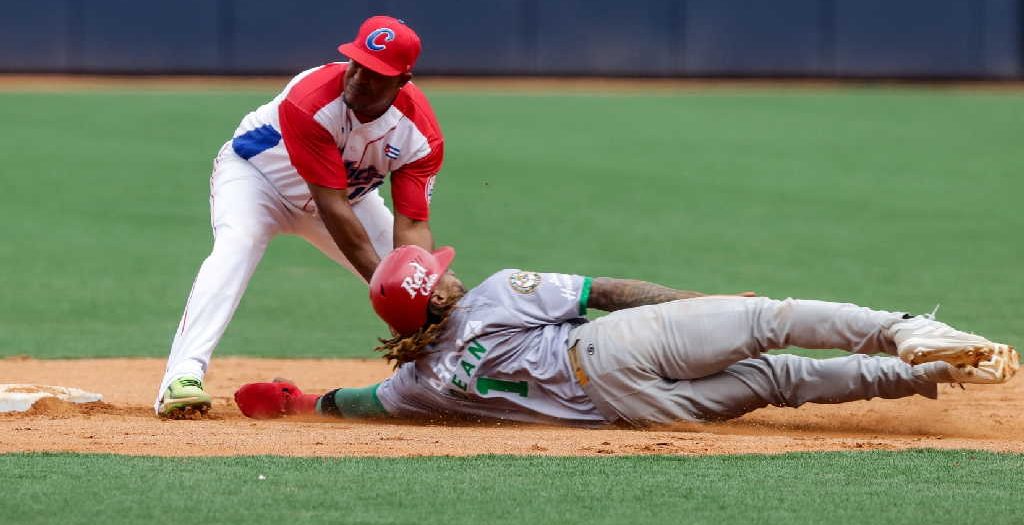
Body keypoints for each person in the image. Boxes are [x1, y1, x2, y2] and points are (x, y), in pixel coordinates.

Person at [233, 246, 1019, 427]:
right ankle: (910, 333)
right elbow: (610, 294)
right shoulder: (498, 293)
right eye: (436, 273)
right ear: (435, 292)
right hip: (616, 348)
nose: (447, 270)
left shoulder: (419, 386)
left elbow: (359, 400)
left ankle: (933, 375)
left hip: (633, 412)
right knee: (769, 320)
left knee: (779, 378)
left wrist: (305, 401)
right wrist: (703, 302)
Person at [157, 16, 445, 418]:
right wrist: (390, 292)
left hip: (351, 199)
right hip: (257, 180)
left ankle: (444, 382)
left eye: (376, 73)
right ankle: (182, 377)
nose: (359, 77)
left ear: (401, 81)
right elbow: (331, 207)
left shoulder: (419, 134)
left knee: (427, 290)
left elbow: (413, 226)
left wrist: (414, 294)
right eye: (356, 63)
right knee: (235, 247)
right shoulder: (311, 98)